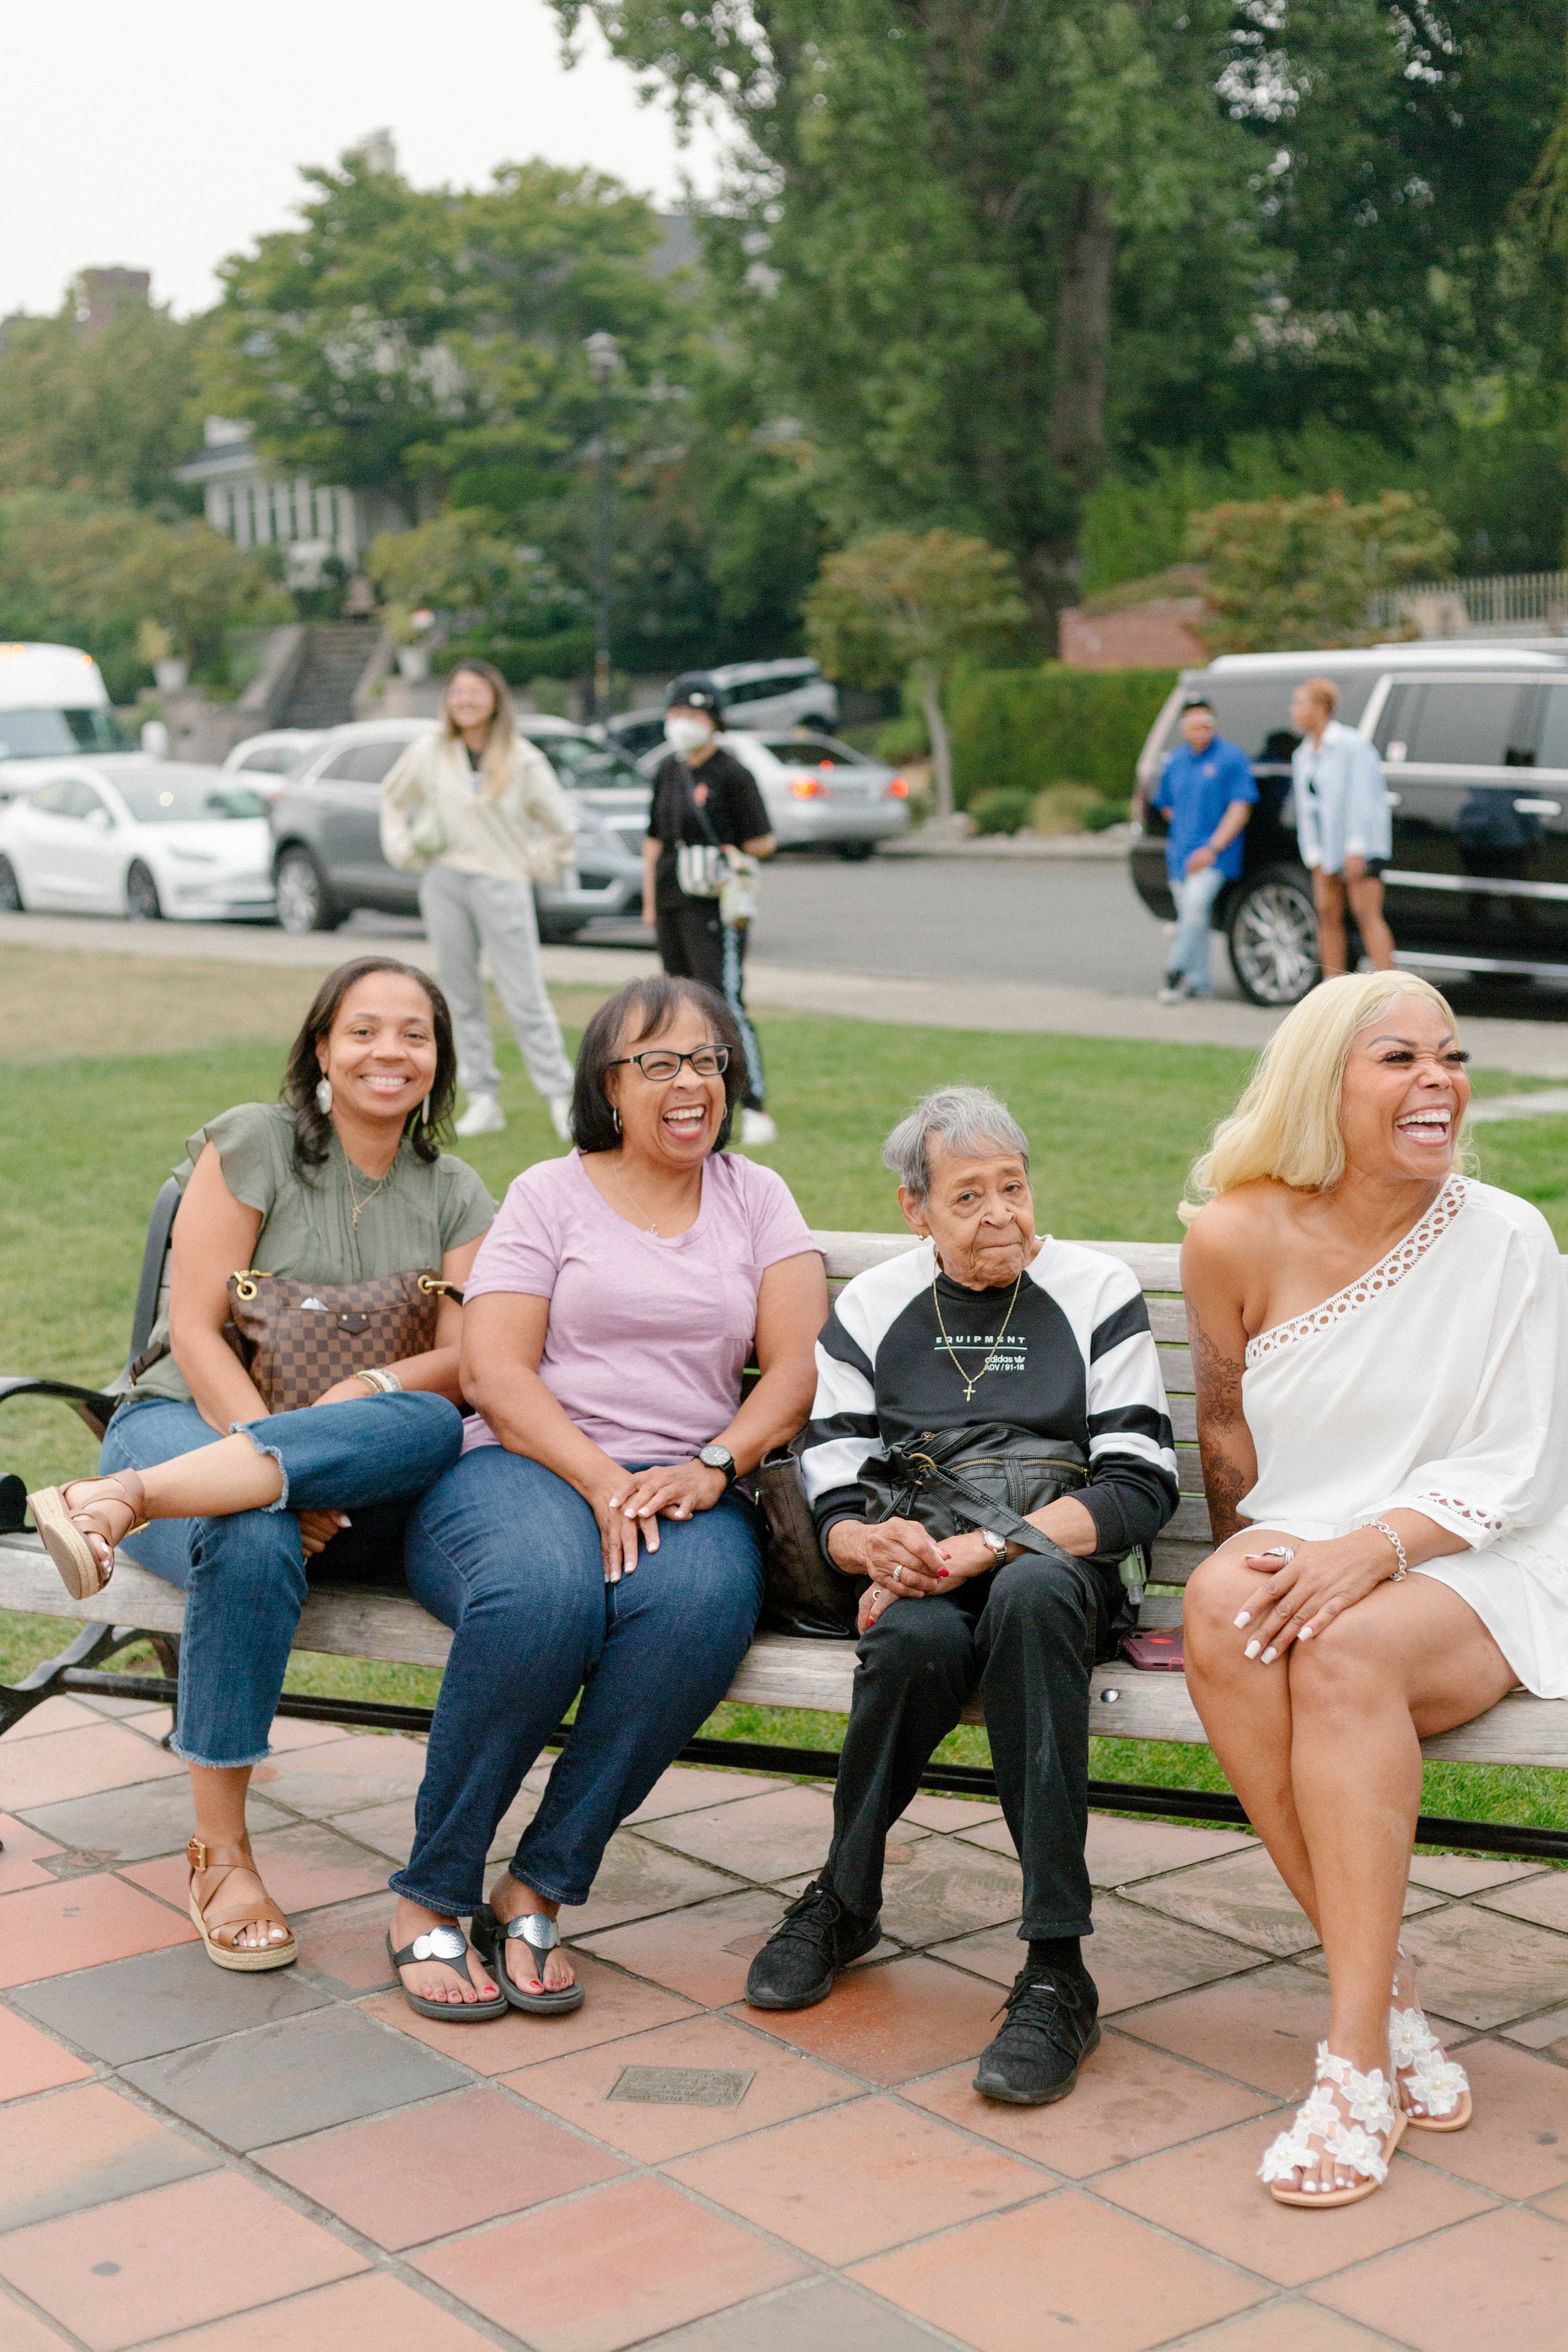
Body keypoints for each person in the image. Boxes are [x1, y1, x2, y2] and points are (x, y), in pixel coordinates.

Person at [1180, 972, 1568, 2209]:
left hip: (1487, 1550)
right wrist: (1260, 1557)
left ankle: (1350, 2067)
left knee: (1341, 1654)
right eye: (1397, 1058)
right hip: (1321, 1536)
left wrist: (1374, 1551)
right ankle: (1390, 2000)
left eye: (1447, 1059)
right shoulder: (1232, 1233)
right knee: (1220, 1610)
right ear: (1322, 1084)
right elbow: (1227, 1428)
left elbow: (1519, 1465)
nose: (1435, 1082)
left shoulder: (1507, 1236)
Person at [26, 958, 494, 1974]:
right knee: (248, 1524)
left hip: (337, 1473)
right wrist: (269, 1473)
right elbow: (193, 1334)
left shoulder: (456, 1193)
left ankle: (111, 1507)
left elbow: (468, 1361)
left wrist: (348, 1414)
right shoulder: (254, 1144)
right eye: (363, 1030)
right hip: (180, 1431)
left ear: (439, 1061)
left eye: (414, 1035)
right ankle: (221, 1853)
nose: (389, 1052)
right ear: (322, 1048)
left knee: (423, 1419)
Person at [384, 975, 827, 2016]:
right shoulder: (547, 1193)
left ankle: (537, 1885)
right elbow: (494, 1370)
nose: (691, 1083)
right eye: (659, 1063)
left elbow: (798, 1370)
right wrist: (599, 1481)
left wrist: (712, 1466)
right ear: (608, 1085)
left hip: (687, 1485)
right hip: (520, 1470)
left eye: (709, 1060)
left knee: (699, 1609)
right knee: (545, 1601)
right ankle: (430, 1896)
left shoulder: (756, 1197)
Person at [745, 1086, 1179, 2106]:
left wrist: (991, 1544)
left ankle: (1057, 1969)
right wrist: (865, 1546)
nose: (1001, 1218)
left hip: (1059, 1569)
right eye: (969, 1197)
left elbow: (1139, 1482)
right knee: (912, 1648)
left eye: (1014, 1189)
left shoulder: (1094, 1288)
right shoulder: (876, 1305)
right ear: (917, 1211)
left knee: (1027, 1600)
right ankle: (846, 1896)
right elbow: (837, 1481)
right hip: (927, 1572)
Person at [381, 659, 578, 1142]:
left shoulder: (521, 757)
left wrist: (538, 866)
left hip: (501, 882)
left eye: (476, 691)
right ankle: (482, 1097)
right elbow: (392, 797)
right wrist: (404, 849)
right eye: (456, 692)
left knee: (523, 994)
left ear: (495, 699)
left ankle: (561, 1097)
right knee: (457, 996)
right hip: (445, 879)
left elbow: (562, 824)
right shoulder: (430, 750)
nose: (465, 700)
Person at [643, 674, 777, 1148]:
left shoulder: (732, 775)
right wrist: (650, 902)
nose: (684, 724)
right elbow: (655, 839)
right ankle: (687, 1092)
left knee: (722, 1002)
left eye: (695, 716)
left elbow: (763, 840)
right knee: (677, 1002)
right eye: (677, 714)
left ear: (715, 722)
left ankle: (754, 1102)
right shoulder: (668, 771)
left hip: (716, 905)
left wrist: (724, 854)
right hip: (673, 898)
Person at [1150, 697, 1258, 1004]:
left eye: (1206, 725)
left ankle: (1174, 971)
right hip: (1180, 854)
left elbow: (1240, 808)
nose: (1200, 731)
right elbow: (1167, 806)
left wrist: (1212, 847)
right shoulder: (1175, 762)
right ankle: (1199, 982)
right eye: (1194, 726)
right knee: (1192, 917)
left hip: (1215, 854)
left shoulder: (1230, 759)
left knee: (1195, 908)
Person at [1290, 677, 1396, 980]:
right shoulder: (1303, 754)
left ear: (1321, 706)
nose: (1294, 711)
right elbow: (1307, 809)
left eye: (1300, 704)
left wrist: (1355, 849)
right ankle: (1332, 991)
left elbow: (1364, 799)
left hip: (1360, 846)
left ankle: (1390, 989)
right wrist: (1314, 855)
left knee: (1366, 913)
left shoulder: (1352, 746)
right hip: (1326, 850)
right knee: (1327, 914)